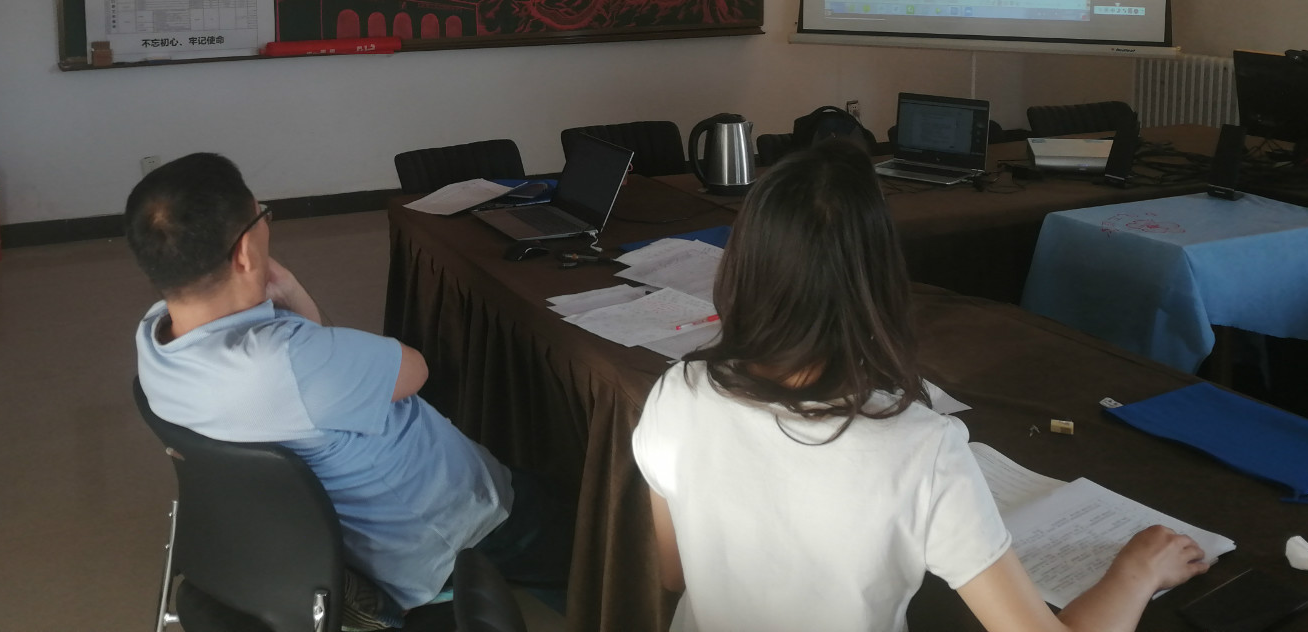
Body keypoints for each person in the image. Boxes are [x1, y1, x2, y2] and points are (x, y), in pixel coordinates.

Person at [631, 139, 1210, 632]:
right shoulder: (921, 447)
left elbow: (673, 573)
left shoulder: (677, 389)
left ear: (743, 266)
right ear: (882, 281)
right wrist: (1136, 572)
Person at [126, 152, 568, 621]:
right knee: (583, 528)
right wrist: (292, 289)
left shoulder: (155, 339)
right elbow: (415, 370)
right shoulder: (289, 362)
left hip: (321, 541)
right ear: (244, 253)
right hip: (450, 533)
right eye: (262, 217)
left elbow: (312, 376)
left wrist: (286, 295)